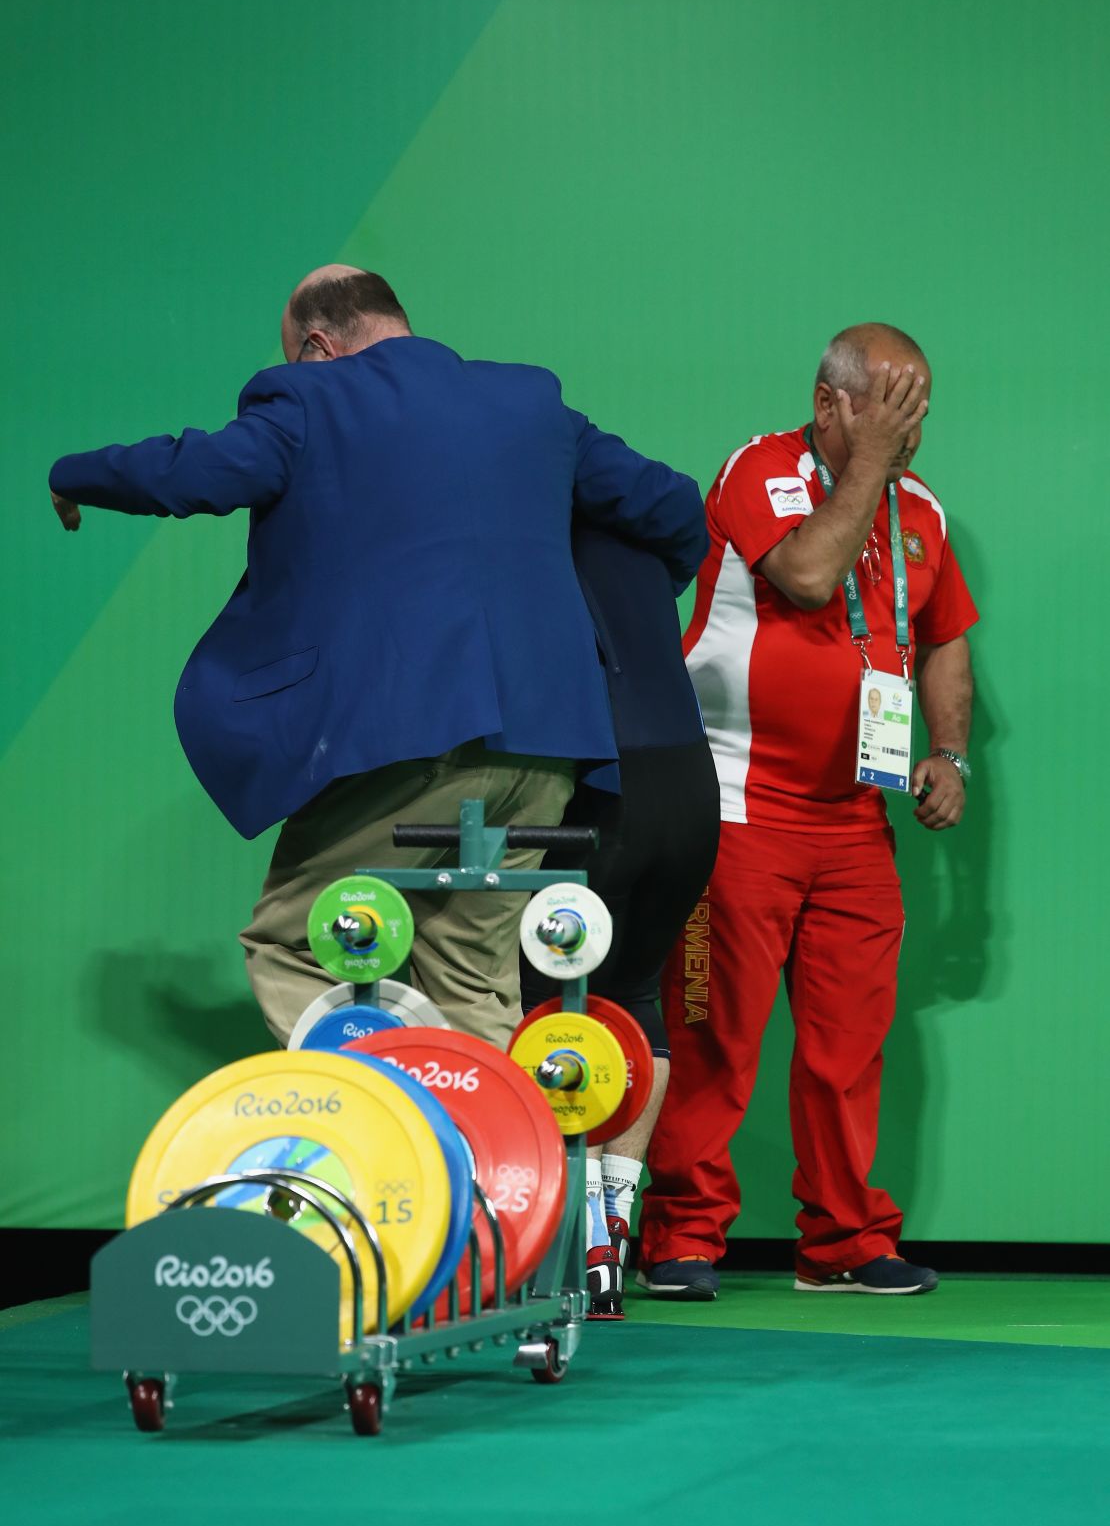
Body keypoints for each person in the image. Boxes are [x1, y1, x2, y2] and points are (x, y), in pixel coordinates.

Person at [48, 265, 708, 1048]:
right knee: (473, 982)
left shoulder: (307, 398)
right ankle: (484, 1166)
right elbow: (671, 506)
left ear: (319, 346)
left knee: (295, 946)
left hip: (408, 740)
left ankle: (389, 1131)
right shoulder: (532, 401)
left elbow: (196, 472)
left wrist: (73, 474)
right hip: (546, 750)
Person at [638, 323, 978, 1298]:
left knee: (847, 1042)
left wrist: (947, 752)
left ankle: (843, 1240)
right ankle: (684, 1236)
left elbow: (945, 640)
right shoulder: (762, 469)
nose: (912, 428)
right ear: (831, 404)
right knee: (714, 1032)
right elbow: (808, 575)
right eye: (892, 404)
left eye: (921, 404)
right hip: (737, 805)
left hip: (854, 820)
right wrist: (867, 467)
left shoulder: (922, 511)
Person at [519, 525, 721, 1318]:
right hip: (690, 791)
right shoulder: (644, 545)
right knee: (637, 993)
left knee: (546, 1000)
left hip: (605, 789)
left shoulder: (526, 544)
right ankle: (612, 1225)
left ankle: (570, 1236)